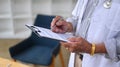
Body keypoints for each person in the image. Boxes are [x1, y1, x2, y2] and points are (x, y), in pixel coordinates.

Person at [51, 0, 120, 67]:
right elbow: (76, 17)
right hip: (77, 58)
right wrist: (69, 25)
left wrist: (91, 48)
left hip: (102, 62)